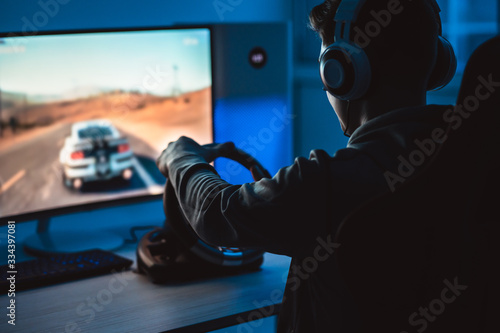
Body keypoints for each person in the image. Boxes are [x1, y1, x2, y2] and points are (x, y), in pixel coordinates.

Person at [156, 0, 455, 331]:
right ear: (437, 63)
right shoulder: (471, 150)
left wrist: (181, 156)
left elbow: (214, 212)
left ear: (342, 72)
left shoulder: (328, 183)